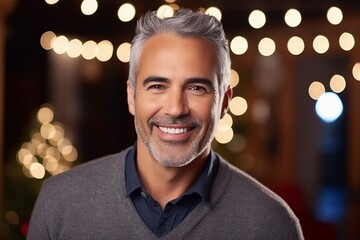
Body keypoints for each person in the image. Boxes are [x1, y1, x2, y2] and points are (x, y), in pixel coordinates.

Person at [27, 8, 304, 239]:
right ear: (131, 96)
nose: (175, 109)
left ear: (224, 103)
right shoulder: (59, 203)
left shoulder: (271, 224)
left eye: (197, 88)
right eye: (157, 85)